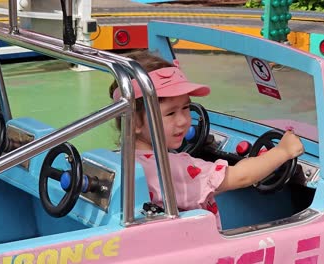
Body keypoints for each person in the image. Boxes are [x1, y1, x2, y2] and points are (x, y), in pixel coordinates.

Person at [109, 50, 304, 228]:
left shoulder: (122, 159)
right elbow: (241, 176)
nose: (183, 121)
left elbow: (204, 184)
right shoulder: (172, 168)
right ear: (134, 122)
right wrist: (282, 151)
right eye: (170, 114)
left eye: (186, 108)